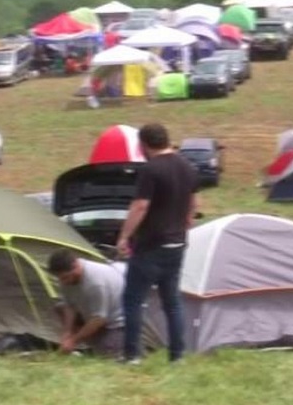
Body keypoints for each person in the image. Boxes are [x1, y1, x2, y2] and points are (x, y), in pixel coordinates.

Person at [116, 123, 199, 364]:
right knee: (172, 303)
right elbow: (194, 204)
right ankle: (177, 356)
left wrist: (124, 236)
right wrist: (185, 222)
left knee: (133, 300)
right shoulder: (187, 166)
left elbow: (141, 206)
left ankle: (132, 355)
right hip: (177, 245)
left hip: (151, 246)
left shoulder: (150, 170)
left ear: (143, 144)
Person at [47, 249, 126, 358]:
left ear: (75, 266)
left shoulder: (96, 283)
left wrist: (73, 340)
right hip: (91, 313)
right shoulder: (66, 278)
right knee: (59, 308)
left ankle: (89, 343)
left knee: (109, 356)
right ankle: (84, 343)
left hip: (115, 323)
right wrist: (68, 332)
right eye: (60, 279)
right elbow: (69, 306)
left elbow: (99, 319)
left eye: (65, 278)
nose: (63, 282)